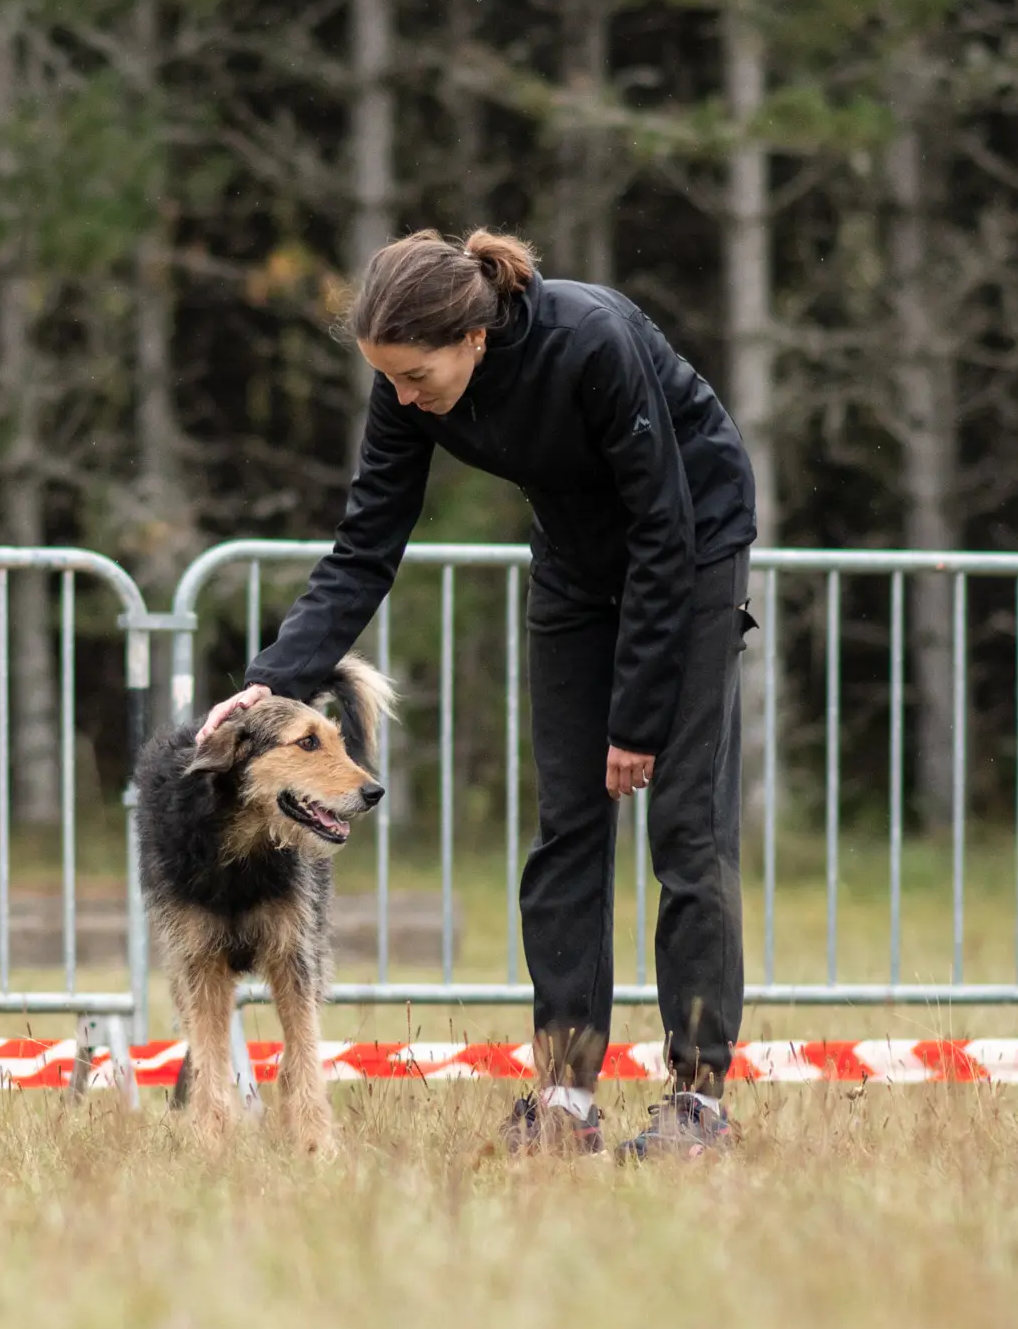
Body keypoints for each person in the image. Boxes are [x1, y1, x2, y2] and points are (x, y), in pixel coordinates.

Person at [196, 228, 757, 1159]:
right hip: (576, 566)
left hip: (691, 550)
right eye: (392, 380)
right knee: (568, 825)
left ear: (474, 339)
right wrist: (272, 680)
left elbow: (664, 527)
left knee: (687, 833)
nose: (407, 397)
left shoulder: (589, 342)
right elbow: (365, 546)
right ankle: (567, 1100)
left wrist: (636, 720)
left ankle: (699, 1105)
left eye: (417, 376)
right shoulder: (408, 385)